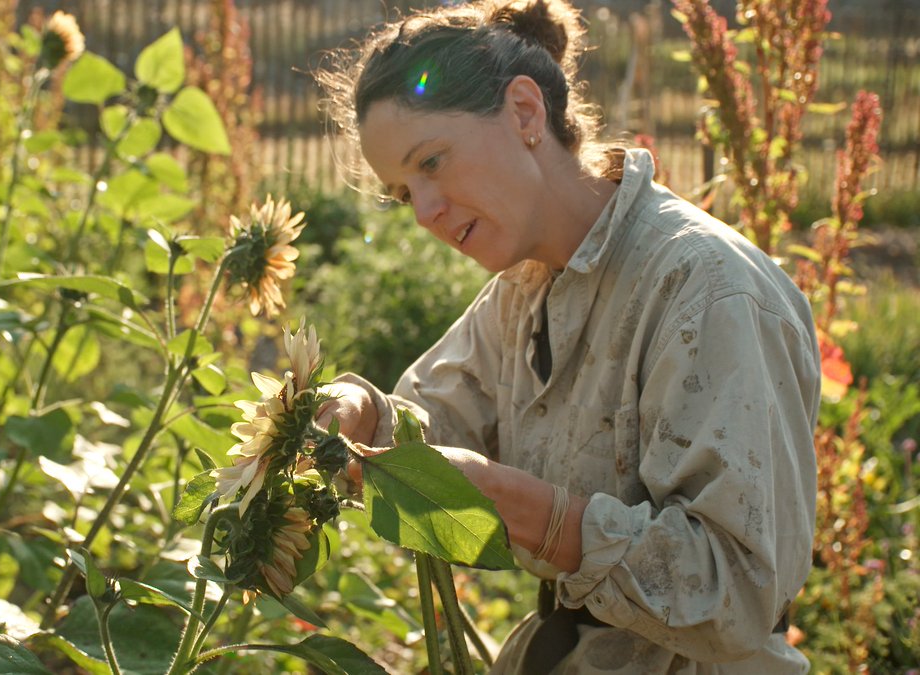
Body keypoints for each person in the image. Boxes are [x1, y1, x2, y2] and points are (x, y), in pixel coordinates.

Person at [313, 0, 820, 673]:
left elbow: (740, 592)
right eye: (405, 194)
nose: (426, 214)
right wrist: (359, 413)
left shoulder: (707, 288)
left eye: (431, 162)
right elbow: (430, 425)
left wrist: (539, 517)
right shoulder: (524, 289)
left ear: (525, 113)